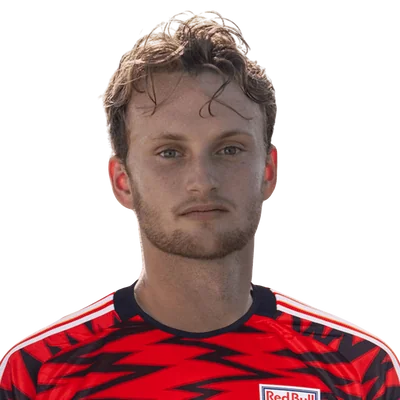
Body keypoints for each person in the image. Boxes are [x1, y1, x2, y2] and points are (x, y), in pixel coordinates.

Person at [1, 9, 399, 400]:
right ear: (123, 181)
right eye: (170, 153)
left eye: (229, 149)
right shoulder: (38, 373)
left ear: (268, 171)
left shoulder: (360, 369)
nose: (202, 181)